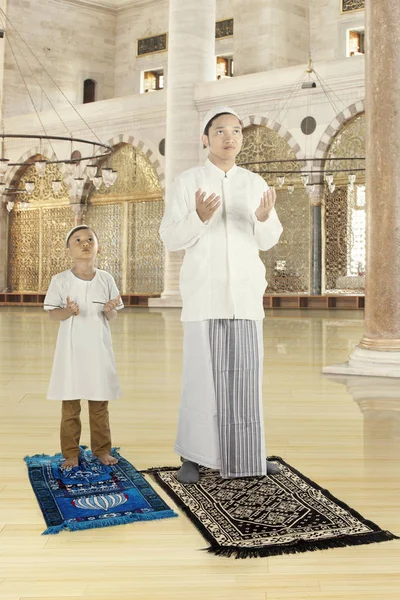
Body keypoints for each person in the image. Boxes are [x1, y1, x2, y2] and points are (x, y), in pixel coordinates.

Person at [160, 106, 283, 484]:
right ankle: (193, 456)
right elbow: (170, 237)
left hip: (245, 296)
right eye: (220, 131)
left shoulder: (254, 182)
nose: (229, 137)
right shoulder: (187, 182)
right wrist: (197, 215)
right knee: (202, 378)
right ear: (205, 138)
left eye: (236, 131)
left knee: (246, 377)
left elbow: (269, 239)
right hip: (205, 295)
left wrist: (263, 219)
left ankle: (248, 455)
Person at [44, 225, 123, 468]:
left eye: (90, 239)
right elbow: (53, 314)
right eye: (77, 240)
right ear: (68, 249)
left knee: (100, 404)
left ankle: (102, 449)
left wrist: (110, 311)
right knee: (70, 405)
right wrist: (67, 311)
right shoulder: (60, 281)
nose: (85, 243)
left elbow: (112, 316)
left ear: (98, 247)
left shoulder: (106, 279)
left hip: (98, 351)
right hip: (71, 353)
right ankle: (70, 453)